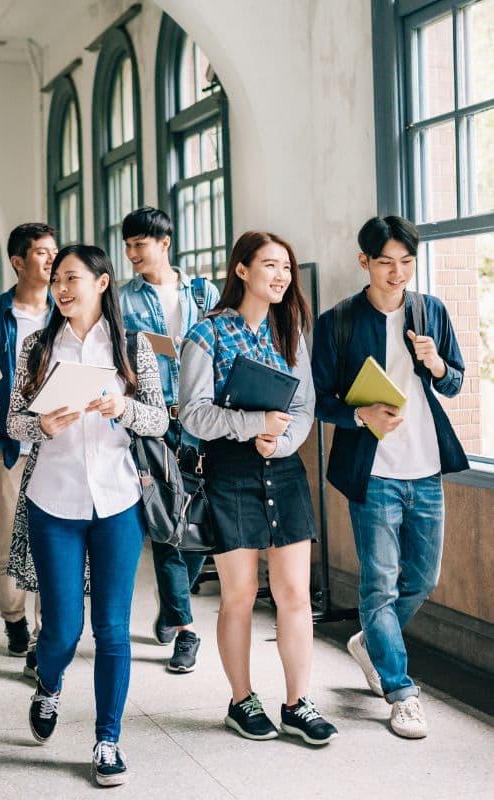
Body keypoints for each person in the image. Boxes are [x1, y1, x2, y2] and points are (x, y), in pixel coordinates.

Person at [6, 244, 168, 785]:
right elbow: (13, 425)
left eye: (73, 278)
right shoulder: (36, 346)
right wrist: (42, 426)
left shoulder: (131, 345)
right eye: (57, 280)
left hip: (117, 500)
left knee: (113, 629)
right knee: (62, 629)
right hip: (55, 500)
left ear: (102, 283)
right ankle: (49, 686)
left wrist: (125, 407)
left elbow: (160, 421)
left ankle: (107, 739)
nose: (62, 288)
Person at [179, 231, 338, 746]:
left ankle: (297, 703)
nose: (280, 276)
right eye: (270, 265)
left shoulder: (290, 328)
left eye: (286, 269)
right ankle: (241, 699)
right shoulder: (206, 335)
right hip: (230, 471)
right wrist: (254, 427)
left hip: (283, 468)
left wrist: (283, 440)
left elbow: (304, 405)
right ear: (241, 270)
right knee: (240, 595)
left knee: (294, 594)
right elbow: (195, 415)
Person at [311, 215, 468, 739]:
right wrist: (362, 416)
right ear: (364, 262)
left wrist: (438, 364)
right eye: (386, 263)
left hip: (425, 468)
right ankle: (400, 692)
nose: (398, 272)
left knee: (423, 577)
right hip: (374, 472)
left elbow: (456, 383)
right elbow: (320, 400)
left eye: (406, 262)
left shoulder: (431, 312)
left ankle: (371, 642)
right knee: (378, 584)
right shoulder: (339, 322)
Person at [119, 206, 219, 673]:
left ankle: (172, 603)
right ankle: (184, 629)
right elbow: (122, 358)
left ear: (165, 243)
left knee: (197, 526)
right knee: (165, 525)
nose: (132, 253)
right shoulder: (123, 300)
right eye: (128, 245)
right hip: (155, 423)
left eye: (140, 244)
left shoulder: (203, 291)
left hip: (204, 423)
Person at [0, 223, 57, 675]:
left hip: (59, 446)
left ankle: (47, 636)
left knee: (51, 543)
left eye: (53, 253)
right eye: (41, 253)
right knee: (10, 542)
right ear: (18, 261)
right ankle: (14, 620)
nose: (50, 260)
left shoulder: (65, 311)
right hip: (11, 446)